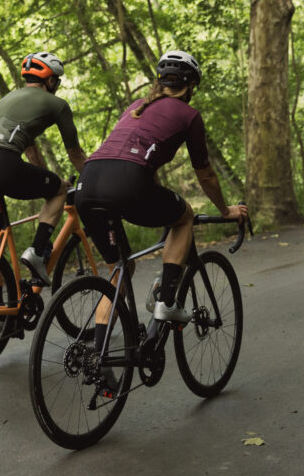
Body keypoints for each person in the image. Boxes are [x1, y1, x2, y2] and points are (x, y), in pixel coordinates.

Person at [75, 50, 247, 329]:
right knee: (184, 215)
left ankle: (97, 353)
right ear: (191, 86)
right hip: (127, 182)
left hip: (88, 182)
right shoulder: (189, 115)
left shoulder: (137, 105)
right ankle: (166, 301)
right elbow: (205, 173)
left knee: (120, 271)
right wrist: (225, 210)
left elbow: (136, 163)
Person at [0, 51, 87, 331]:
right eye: (57, 80)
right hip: (1, 164)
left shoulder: (9, 99)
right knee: (58, 192)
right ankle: (38, 251)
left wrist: (48, 178)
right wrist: (92, 178)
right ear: (51, 80)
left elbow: (30, 151)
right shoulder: (56, 103)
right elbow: (76, 154)